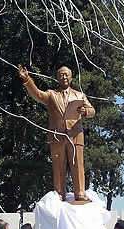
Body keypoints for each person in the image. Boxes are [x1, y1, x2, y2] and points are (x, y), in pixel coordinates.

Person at [18, 64, 95, 201]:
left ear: (71, 78)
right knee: (58, 166)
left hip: (75, 135)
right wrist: (27, 80)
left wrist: (85, 111)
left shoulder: (79, 95)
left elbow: (92, 111)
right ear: (57, 78)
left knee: (77, 165)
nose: (64, 77)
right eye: (61, 75)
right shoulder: (52, 95)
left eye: (66, 74)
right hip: (56, 135)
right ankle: (60, 193)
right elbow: (38, 95)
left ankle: (80, 193)